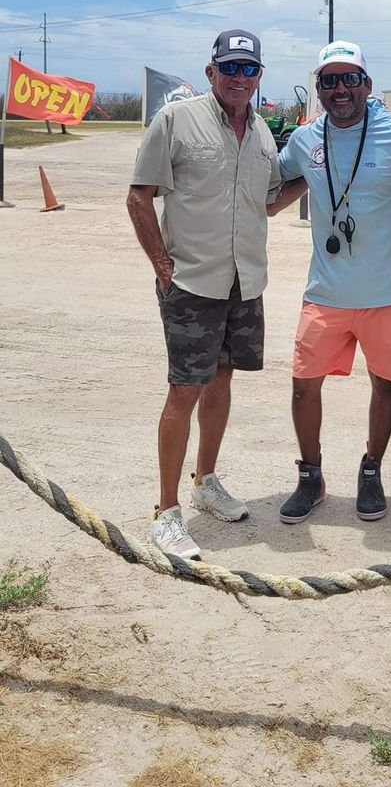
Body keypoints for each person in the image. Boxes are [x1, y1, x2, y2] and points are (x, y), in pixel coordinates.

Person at [126, 30, 281, 560]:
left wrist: (315, 177)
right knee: (184, 391)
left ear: (259, 75)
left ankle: (205, 481)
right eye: (230, 67)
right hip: (191, 283)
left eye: (249, 69)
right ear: (211, 70)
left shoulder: (262, 133)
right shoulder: (176, 120)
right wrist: (163, 266)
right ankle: (165, 513)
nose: (240, 78)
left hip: (243, 283)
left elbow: (268, 202)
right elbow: (139, 195)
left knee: (222, 381)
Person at [268, 41, 391, 524]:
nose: (339, 89)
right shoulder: (304, 140)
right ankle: (310, 475)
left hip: (388, 292)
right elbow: (273, 183)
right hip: (326, 291)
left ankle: (371, 470)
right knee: (302, 385)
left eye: (348, 78)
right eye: (329, 80)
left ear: (366, 85)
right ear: (319, 88)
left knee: (385, 383)